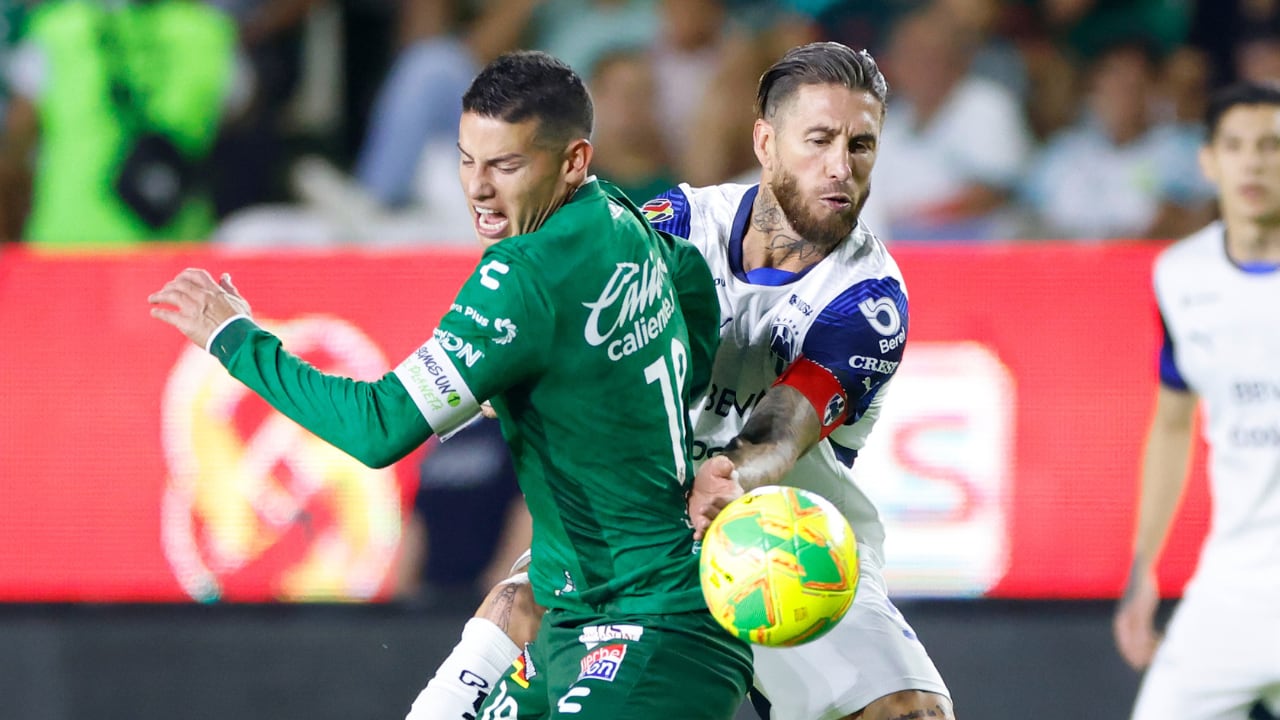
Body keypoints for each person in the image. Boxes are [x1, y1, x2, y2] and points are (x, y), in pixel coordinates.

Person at [149, 50, 752, 719]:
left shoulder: (522, 276)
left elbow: (378, 427)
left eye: (506, 165)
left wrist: (234, 339)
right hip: (579, 619)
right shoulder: (618, 214)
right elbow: (692, 284)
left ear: (573, 160)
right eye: (468, 160)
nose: (479, 189)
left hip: (652, 628)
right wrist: (623, 403)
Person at [404, 42, 955, 720]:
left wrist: (730, 474)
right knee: (519, 604)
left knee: (910, 712)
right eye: (818, 140)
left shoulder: (869, 299)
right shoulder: (680, 223)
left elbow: (784, 424)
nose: (841, 166)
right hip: (645, 533)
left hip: (785, 545)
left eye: (861, 145)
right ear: (766, 142)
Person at [1113, 80, 1280, 720]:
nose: (1253, 162)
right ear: (1209, 161)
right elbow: (1174, 424)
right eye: (1236, 146)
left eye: (1271, 145)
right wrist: (1144, 569)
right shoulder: (1180, 276)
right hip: (1232, 588)